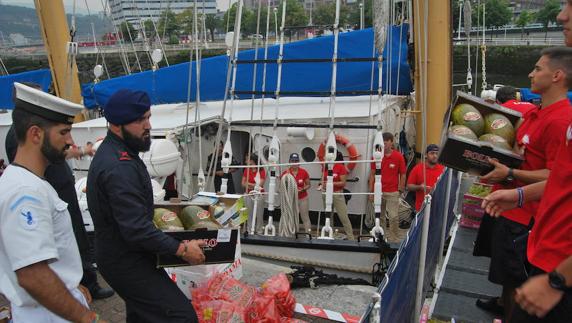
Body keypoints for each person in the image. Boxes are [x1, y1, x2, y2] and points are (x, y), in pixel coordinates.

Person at [480, 6, 572, 322]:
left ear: (557, 75)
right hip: (533, 229)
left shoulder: (561, 120)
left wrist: (558, 280)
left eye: (537, 69)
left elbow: (556, 173)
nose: (561, 15)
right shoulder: (538, 114)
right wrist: (516, 193)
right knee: (509, 280)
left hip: (553, 255)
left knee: (515, 283)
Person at [86, 89, 205, 322]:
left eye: (148, 117)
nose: (148, 125)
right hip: (126, 261)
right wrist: (182, 250)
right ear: (117, 125)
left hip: (125, 254)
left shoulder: (122, 152)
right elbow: (136, 228)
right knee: (182, 317)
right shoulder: (118, 166)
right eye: (140, 120)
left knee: (143, 316)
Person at [0, 82, 106, 322]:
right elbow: (33, 275)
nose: (70, 140)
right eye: (63, 132)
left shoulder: (28, 182)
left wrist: (69, 286)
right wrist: (90, 319)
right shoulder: (25, 193)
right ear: (36, 134)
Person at [368, 132, 406, 243]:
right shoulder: (376, 157)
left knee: (393, 216)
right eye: (382, 143)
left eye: (386, 143)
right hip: (379, 191)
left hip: (393, 191)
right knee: (380, 216)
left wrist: (400, 188)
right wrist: (371, 192)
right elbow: (372, 174)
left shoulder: (398, 156)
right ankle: (382, 237)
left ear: (391, 142)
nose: (384, 145)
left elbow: (403, 174)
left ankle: (394, 238)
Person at [320, 151, 354, 240]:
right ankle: (329, 235)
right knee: (328, 216)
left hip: (337, 194)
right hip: (326, 193)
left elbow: (343, 183)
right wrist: (321, 185)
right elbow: (322, 179)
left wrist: (331, 183)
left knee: (343, 217)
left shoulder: (340, 167)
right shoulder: (325, 167)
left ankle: (351, 238)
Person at [406, 144, 445, 212]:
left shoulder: (443, 170)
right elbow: (409, 186)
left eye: (436, 153)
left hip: (438, 209)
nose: (435, 156)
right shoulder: (418, 168)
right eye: (432, 153)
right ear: (426, 155)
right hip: (421, 208)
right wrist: (420, 187)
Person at [280, 153, 311, 233]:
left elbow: (308, 185)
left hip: (302, 198)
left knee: (305, 217)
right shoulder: (285, 174)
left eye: (296, 161)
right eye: (293, 161)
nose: (294, 162)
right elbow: (282, 187)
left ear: (299, 162)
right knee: (292, 217)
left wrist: (303, 189)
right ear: (290, 162)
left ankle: (308, 234)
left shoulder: (304, 172)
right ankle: (293, 234)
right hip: (291, 199)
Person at [242, 153, 266, 233]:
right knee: (249, 214)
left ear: (252, 160)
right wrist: (254, 186)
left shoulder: (261, 170)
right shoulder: (246, 169)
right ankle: (249, 230)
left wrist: (248, 184)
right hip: (249, 194)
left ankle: (259, 231)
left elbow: (260, 184)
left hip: (259, 195)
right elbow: (242, 183)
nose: (245, 161)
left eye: (247, 159)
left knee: (259, 214)